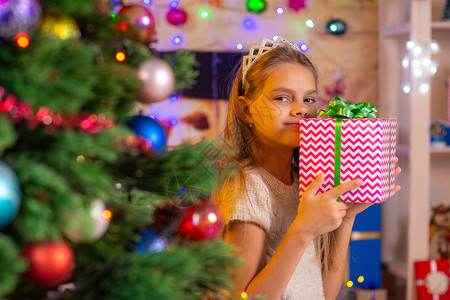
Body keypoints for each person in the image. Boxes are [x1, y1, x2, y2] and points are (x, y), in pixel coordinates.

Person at [212, 37, 401, 300]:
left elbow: (324, 293)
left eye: (309, 99)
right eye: (282, 97)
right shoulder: (249, 186)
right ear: (246, 110)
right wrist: (303, 230)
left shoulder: (306, 182)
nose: (301, 109)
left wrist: (347, 216)